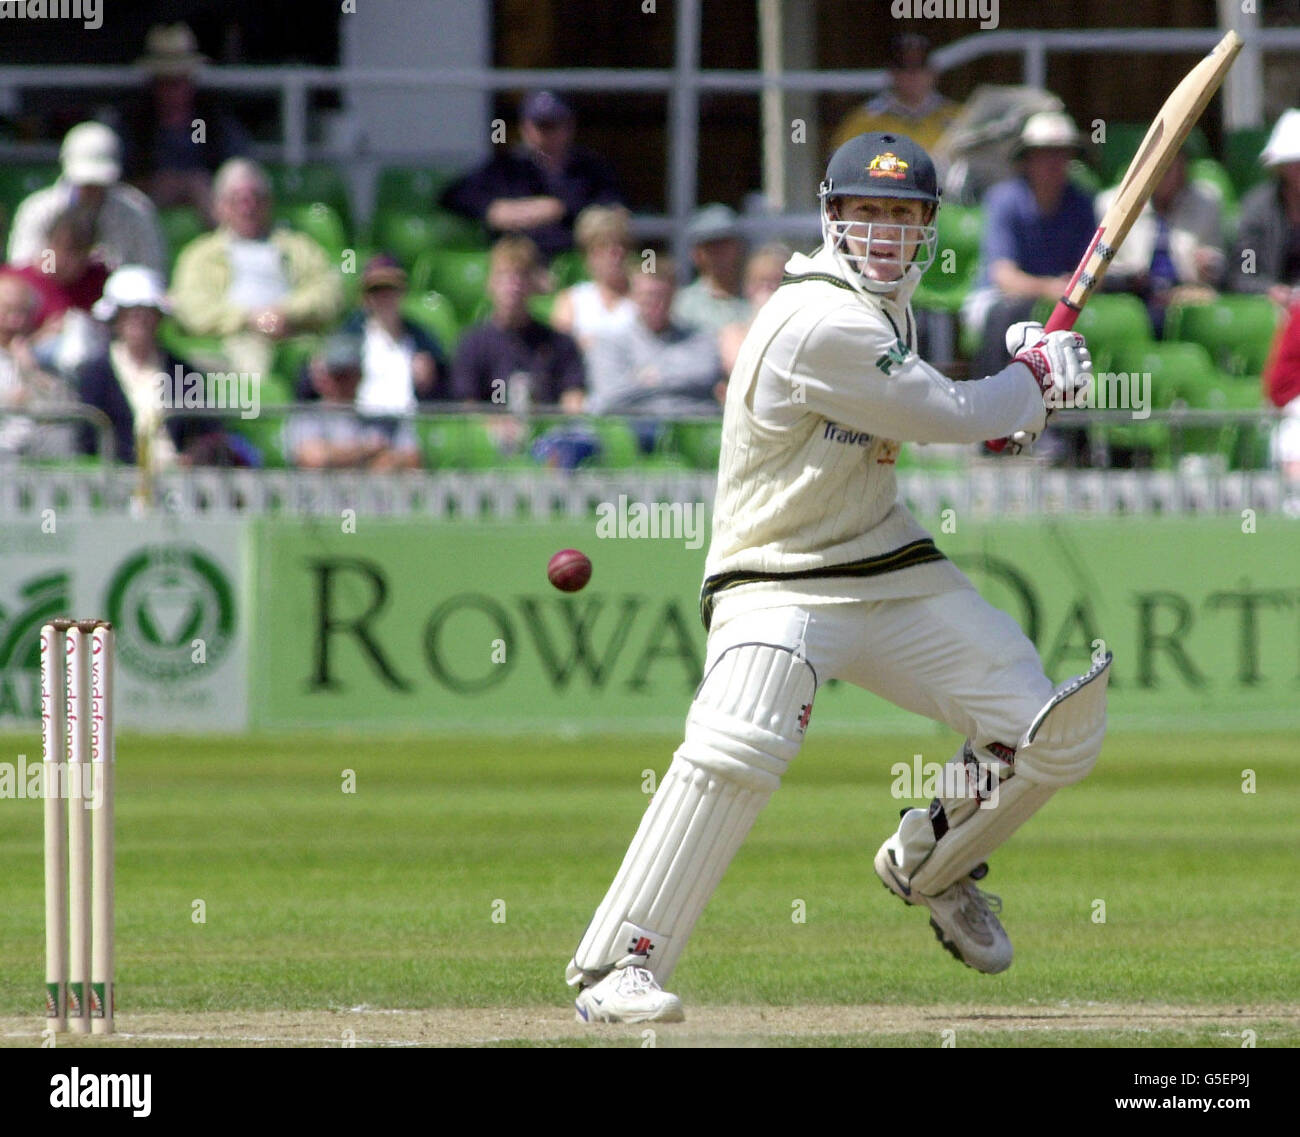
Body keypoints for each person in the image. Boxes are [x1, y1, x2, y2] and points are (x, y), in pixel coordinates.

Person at [563, 132, 1108, 1024]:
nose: (885, 234)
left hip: (879, 558)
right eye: (867, 213)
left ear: (928, 227)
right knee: (741, 741)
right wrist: (1029, 383)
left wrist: (1023, 396)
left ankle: (931, 859)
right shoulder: (819, 317)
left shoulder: (893, 307)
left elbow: (944, 413)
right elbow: (939, 412)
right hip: (773, 573)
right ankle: (621, 964)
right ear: (831, 218)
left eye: (903, 216)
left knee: (1050, 731)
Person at [170, 158, 345, 378]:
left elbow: (329, 292)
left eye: (255, 199)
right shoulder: (199, 255)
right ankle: (261, 409)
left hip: (295, 333)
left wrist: (285, 313)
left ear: (269, 203)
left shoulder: (300, 247)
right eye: (237, 200)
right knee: (251, 360)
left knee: (340, 358)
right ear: (220, 206)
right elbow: (192, 309)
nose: (247, 208)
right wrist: (250, 319)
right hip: (236, 340)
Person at [963, 111, 1096, 389]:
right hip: (999, 297)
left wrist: (1063, 292)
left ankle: (1073, 423)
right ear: (1027, 160)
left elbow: (1093, 269)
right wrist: (1051, 289)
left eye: (1061, 153)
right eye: (1044, 153)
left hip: (1064, 298)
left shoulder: (1082, 203)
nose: (1054, 162)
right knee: (1006, 317)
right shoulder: (1004, 200)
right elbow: (1003, 277)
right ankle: (994, 406)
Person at [439, 91, 622, 259]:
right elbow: (453, 196)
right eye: (539, 125)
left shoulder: (590, 168)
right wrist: (493, 209)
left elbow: (613, 206)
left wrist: (562, 207)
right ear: (524, 128)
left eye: (553, 125)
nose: (545, 134)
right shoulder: (506, 168)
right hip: (516, 263)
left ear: (569, 126)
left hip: (571, 257)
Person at [77, 266, 227, 466]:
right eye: (130, 313)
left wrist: (194, 455)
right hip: (119, 479)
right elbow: (87, 440)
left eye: (147, 313)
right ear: (115, 319)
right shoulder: (94, 374)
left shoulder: (183, 372)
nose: (140, 321)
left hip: (180, 479)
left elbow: (207, 431)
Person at [584, 257, 724, 442]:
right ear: (632, 296)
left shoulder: (699, 337)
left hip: (694, 432)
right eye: (647, 296)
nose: (655, 304)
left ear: (674, 294)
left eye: (662, 296)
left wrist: (650, 377)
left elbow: (706, 373)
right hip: (634, 436)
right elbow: (608, 396)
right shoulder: (609, 342)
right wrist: (678, 376)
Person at [121, 23, 251, 215]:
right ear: (153, 83)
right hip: (146, 210)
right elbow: (117, 182)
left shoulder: (212, 122)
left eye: (179, 81)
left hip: (212, 208)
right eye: (165, 82)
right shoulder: (133, 123)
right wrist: (156, 185)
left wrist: (198, 184)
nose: (172, 92)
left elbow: (240, 172)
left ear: (190, 79)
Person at [6, 121, 167, 277]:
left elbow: (152, 271)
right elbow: (22, 272)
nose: (91, 189)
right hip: (55, 298)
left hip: (118, 299)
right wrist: (57, 262)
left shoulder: (136, 209)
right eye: (83, 183)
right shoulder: (38, 209)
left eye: (98, 183)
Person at [1096, 149, 1223, 336]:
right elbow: (1102, 269)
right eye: (1160, 166)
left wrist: (1207, 265)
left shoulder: (1207, 201)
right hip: (1134, 295)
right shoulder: (1112, 204)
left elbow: (1217, 260)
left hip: (1184, 294)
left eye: (1174, 165)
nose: (1168, 173)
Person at [451, 236, 586, 413]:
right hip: (491, 437)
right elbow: (467, 405)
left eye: (521, 276)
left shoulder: (559, 344)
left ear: (533, 284)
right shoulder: (473, 343)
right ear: (490, 283)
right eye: (504, 276)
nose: (513, 286)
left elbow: (573, 398)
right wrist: (495, 425)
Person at [286, 334, 422, 471]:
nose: (341, 382)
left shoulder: (382, 415)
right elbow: (313, 459)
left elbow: (411, 459)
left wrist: (383, 461)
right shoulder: (308, 416)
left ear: (359, 375)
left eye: (348, 374)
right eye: (336, 374)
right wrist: (367, 451)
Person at [7, 204, 111, 378]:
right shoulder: (15, 282)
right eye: (60, 248)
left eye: (76, 252)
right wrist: (40, 336)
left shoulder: (100, 279)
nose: (66, 259)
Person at [339, 254, 451, 413]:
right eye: (376, 290)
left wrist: (430, 381)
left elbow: (446, 388)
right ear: (365, 297)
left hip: (406, 425)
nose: (384, 298)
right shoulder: (349, 336)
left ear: (402, 292)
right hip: (357, 424)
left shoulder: (421, 340)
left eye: (390, 289)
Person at [831, 34, 960, 154]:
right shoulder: (863, 122)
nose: (913, 75)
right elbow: (840, 170)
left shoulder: (959, 118)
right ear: (892, 72)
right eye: (904, 67)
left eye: (920, 66)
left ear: (933, 72)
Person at [0, 274, 76, 458]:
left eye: (23, 313)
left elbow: (67, 412)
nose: (14, 321)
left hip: (38, 461)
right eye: (7, 311)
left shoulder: (50, 358)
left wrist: (31, 372)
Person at [1228, 109, 1300, 304]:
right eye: (1294, 162)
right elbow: (1245, 270)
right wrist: (1268, 289)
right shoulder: (1256, 210)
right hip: (1268, 311)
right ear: (1280, 166)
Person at [549, 204, 636, 351]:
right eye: (603, 247)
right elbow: (559, 354)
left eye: (621, 245)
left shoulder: (643, 298)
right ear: (588, 255)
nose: (615, 254)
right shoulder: (572, 301)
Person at [671, 204, 751, 335]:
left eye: (725, 244)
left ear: (738, 247)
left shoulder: (755, 296)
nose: (719, 254)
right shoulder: (683, 305)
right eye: (710, 247)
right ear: (696, 254)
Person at [717, 242, 792, 374]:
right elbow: (738, 367)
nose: (767, 290)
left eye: (775, 282)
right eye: (761, 282)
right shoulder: (733, 333)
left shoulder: (799, 332)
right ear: (747, 287)